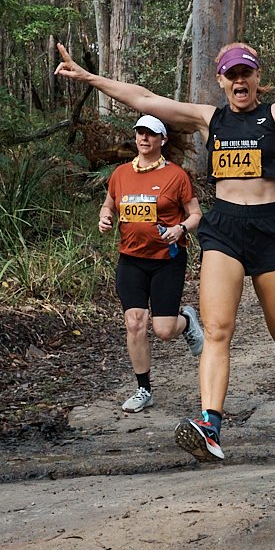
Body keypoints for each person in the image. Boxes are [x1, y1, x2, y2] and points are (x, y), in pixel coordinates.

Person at [55, 30, 275, 462]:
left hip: (266, 231)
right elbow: (146, 100)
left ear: (256, 76)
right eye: (232, 74)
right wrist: (91, 78)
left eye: (246, 72)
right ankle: (210, 424)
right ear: (222, 81)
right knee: (218, 330)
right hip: (223, 230)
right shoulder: (212, 119)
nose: (240, 80)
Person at [99, 115, 205, 413]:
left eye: (150, 134)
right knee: (134, 323)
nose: (144, 138)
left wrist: (181, 228)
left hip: (166, 260)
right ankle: (143, 389)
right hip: (131, 259)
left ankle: (186, 320)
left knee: (163, 330)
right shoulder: (121, 173)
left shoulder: (176, 176)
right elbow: (109, 203)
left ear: (163, 140)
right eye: (140, 133)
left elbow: (195, 214)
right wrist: (105, 217)